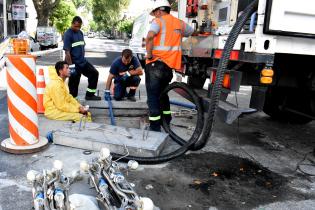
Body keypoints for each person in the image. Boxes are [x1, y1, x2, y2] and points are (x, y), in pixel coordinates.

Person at [145, 0, 194, 131]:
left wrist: (149, 55)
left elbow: (149, 37)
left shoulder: (158, 21)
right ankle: (166, 122)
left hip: (155, 65)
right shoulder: (179, 23)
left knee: (153, 98)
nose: (154, 16)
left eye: (155, 13)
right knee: (163, 95)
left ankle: (155, 128)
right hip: (168, 69)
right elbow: (191, 31)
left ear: (159, 11)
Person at [63, 16, 101, 100]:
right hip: (74, 63)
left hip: (82, 61)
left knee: (94, 73)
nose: (77, 28)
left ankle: (90, 95)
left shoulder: (80, 33)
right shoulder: (68, 34)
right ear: (72, 24)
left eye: (79, 26)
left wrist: (82, 56)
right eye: (76, 26)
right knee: (74, 83)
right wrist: (71, 66)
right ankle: (72, 100)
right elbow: (67, 52)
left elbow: (82, 45)